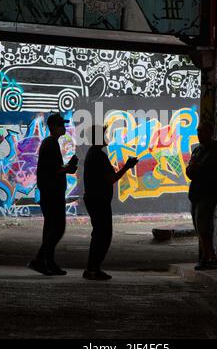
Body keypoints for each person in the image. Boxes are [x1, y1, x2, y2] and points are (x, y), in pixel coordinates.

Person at [83, 125, 138, 281]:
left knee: (99, 234)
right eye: (104, 134)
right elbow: (111, 179)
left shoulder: (92, 154)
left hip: (94, 199)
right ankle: (93, 268)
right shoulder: (99, 156)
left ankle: (92, 268)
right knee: (103, 235)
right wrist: (127, 167)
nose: (107, 136)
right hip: (99, 201)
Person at [28, 113, 78, 276]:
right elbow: (54, 170)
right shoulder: (50, 143)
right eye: (60, 125)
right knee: (58, 228)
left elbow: (53, 168)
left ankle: (48, 262)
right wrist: (69, 168)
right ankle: (39, 260)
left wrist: (67, 167)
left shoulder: (50, 143)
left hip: (50, 193)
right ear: (54, 127)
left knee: (50, 229)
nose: (63, 127)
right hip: (52, 194)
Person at [186, 121, 217, 271]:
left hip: (207, 195)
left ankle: (212, 258)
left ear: (210, 132)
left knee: (203, 228)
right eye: (198, 132)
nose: (199, 135)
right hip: (195, 195)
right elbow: (189, 171)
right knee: (199, 228)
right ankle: (205, 258)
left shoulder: (216, 151)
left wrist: (200, 168)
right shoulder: (197, 151)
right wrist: (192, 169)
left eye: (202, 132)